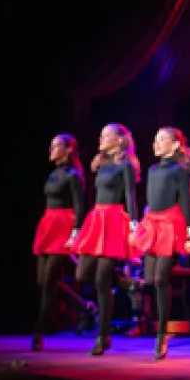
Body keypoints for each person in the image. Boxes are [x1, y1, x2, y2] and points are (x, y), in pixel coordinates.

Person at [132, 127, 190, 360]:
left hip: (170, 224)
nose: (156, 143)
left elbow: (186, 203)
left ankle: (161, 334)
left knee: (161, 279)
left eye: (162, 139)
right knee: (150, 280)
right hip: (152, 223)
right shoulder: (152, 170)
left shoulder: (179, 170)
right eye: (155, 139)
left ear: (175, 145)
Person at [72, 123, 139, 356]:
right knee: (82, 273)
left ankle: (103, 335)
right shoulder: (101, 163)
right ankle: (124, 282)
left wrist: (134, 227)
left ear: (120, 140)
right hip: (96, 218)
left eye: (106, 136)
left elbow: (131, 196)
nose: (101, 139)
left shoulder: (126, 165)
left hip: (113, 219)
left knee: (102, 280)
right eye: (101, 135)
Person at [31, 134, 89, 351]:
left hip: (63, 226)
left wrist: (75, 234)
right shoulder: (53, 174)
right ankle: (83, 307)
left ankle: (39, 332)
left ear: (68, 150)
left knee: (49, 282)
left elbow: (80, 207)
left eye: (56, 146)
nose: (51, 149)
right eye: (51, 145)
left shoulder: (74, 175)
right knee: (43, 282)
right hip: (48, 225)